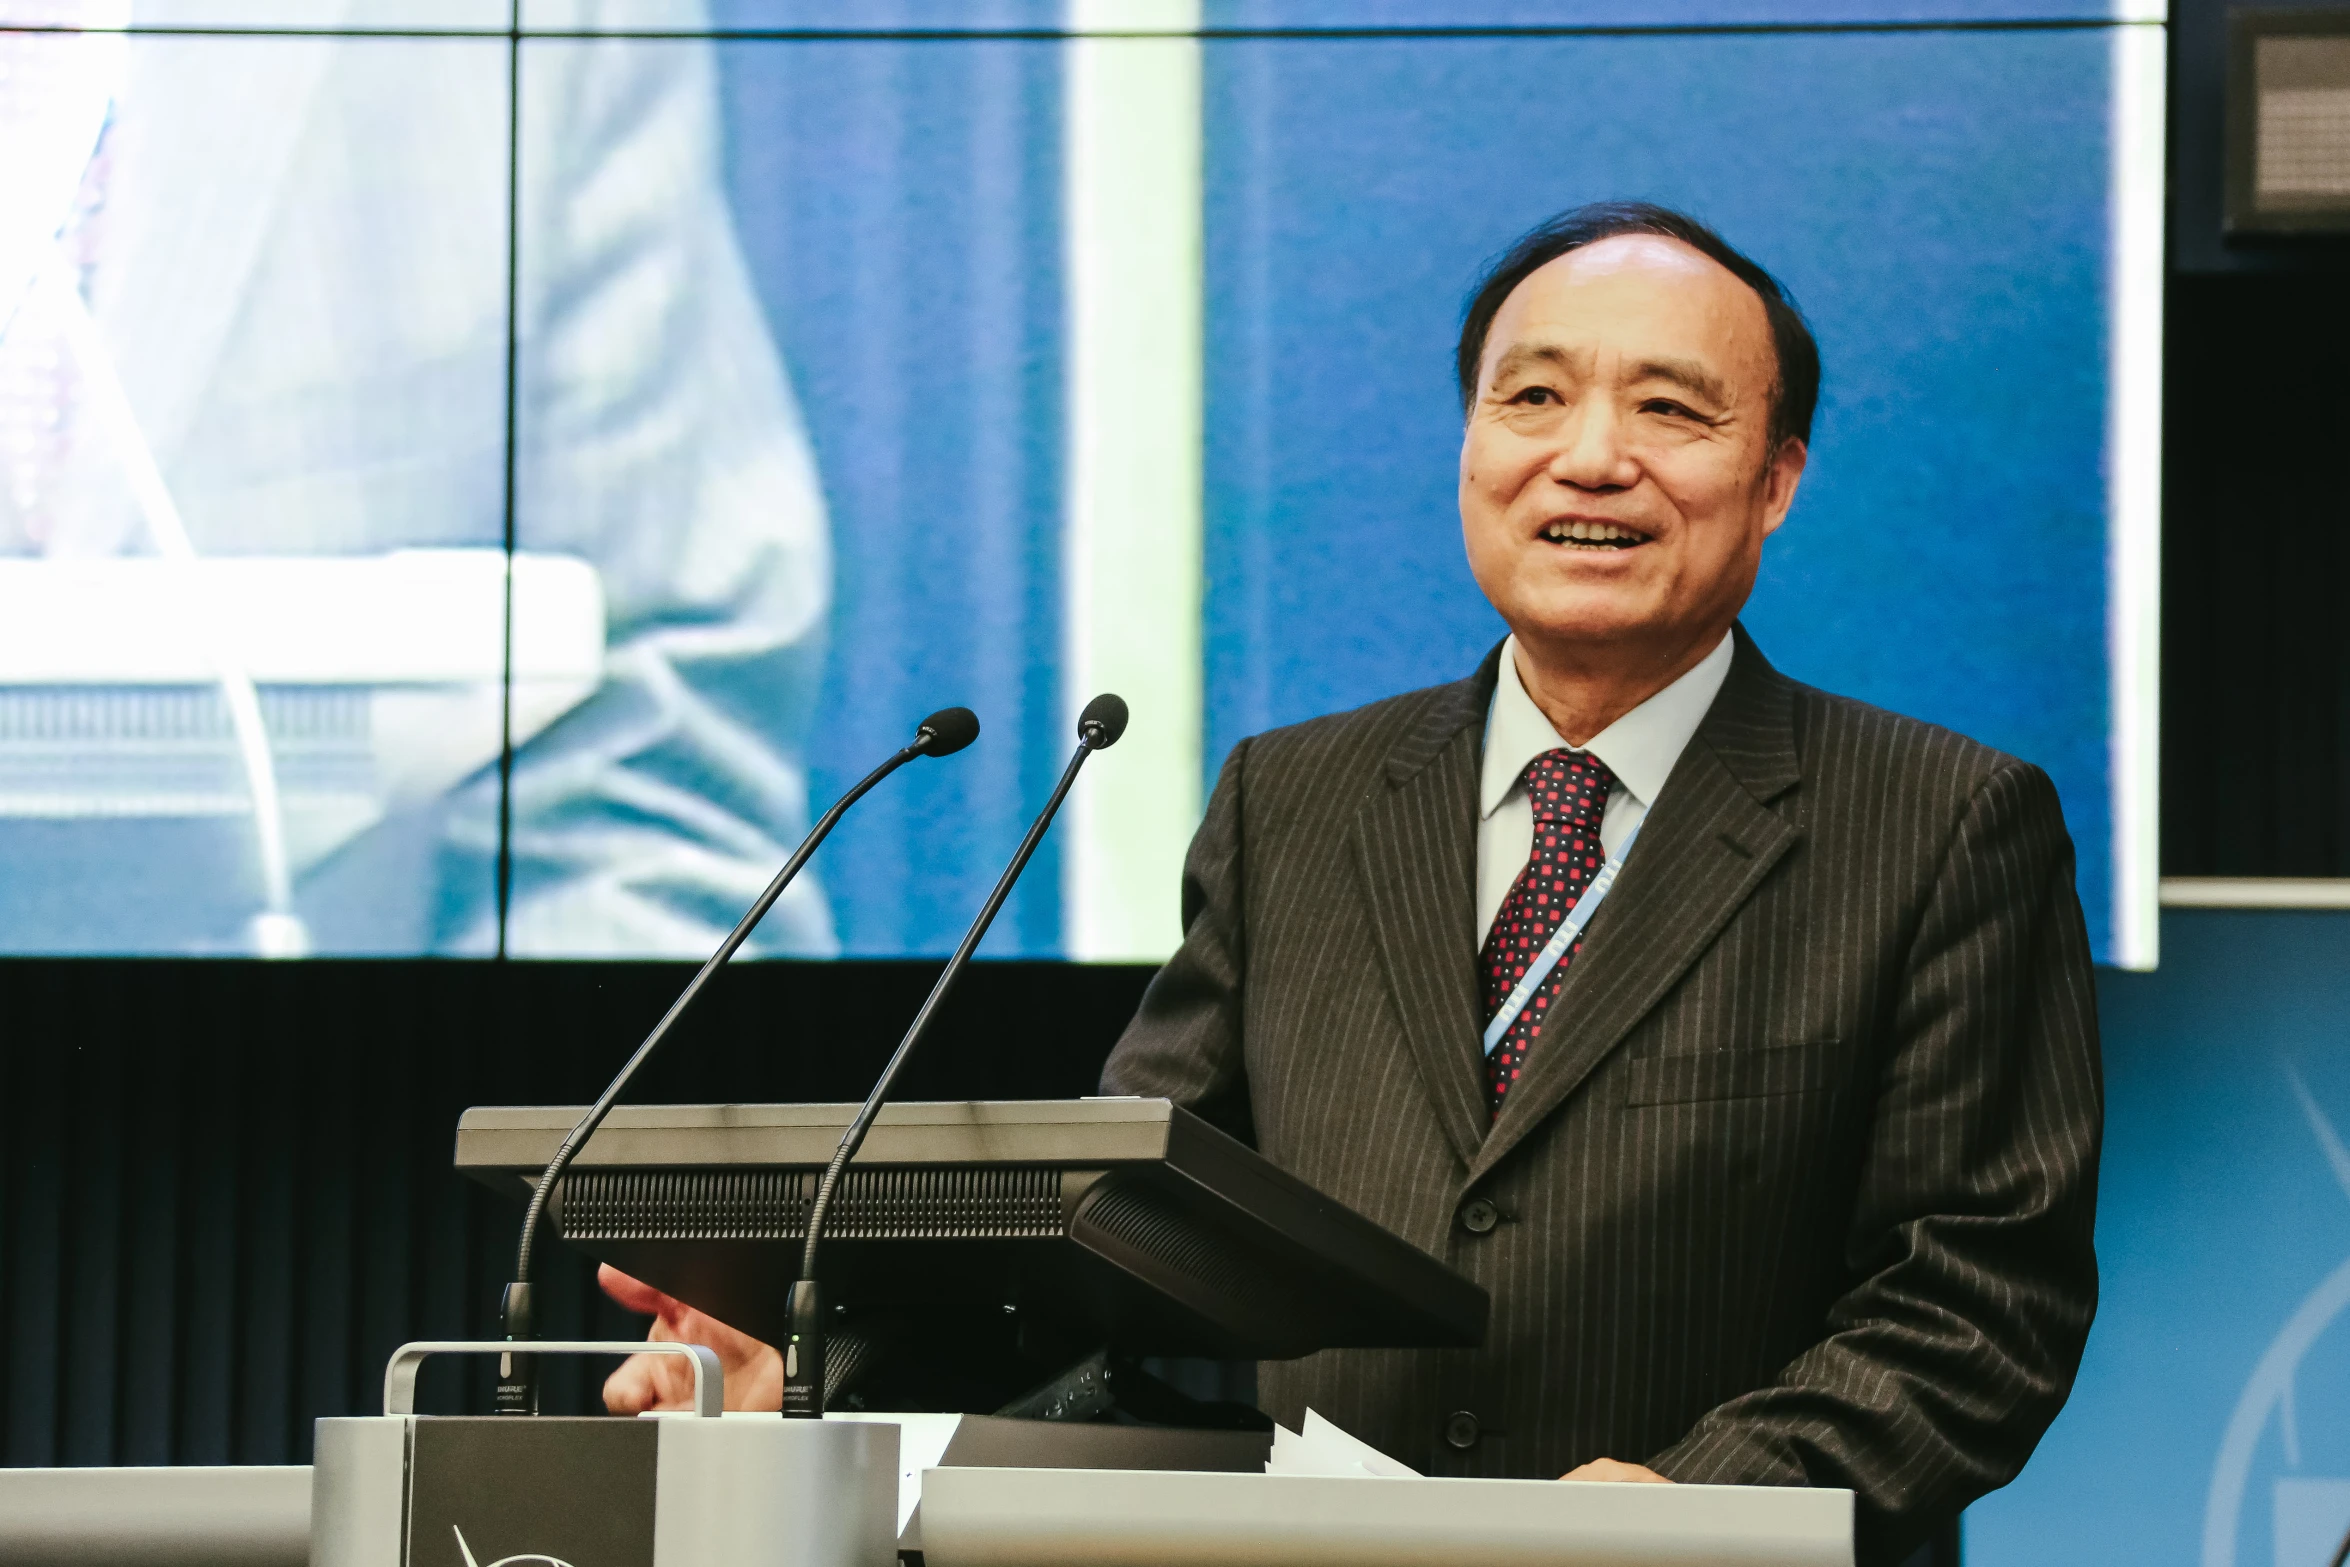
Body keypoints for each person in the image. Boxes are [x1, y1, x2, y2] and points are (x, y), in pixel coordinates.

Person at [603, 201, 2101, 1567]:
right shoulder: (1296, 798)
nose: (1590, 455)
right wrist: (825, 1375)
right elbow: (1123, 1241)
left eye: (1670, 408)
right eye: (1532, 396)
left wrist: (1702, 1502)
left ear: (1773, 480)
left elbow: (1974, 1299)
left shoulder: (1941, 822)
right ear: (1468, 447)